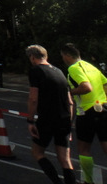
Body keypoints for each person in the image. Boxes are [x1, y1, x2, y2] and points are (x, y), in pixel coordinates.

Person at [61, 43, 107, 183]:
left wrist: (69, 92)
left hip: (87, 111)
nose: (63, 59)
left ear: (68, 55)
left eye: (63, 56)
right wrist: (98, 96)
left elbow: (86, 87)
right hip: (105, 109)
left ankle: (88, 181)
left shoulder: (73, 68)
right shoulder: (91, 66)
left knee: (84, 149)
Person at [26, 44, 76, 184]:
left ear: (32, 57)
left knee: (37, 152)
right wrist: (69, 125)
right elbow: (70, 101)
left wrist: (30, 120)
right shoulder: (59, 71)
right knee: (65, 159)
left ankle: (56, 182)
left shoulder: (36, 71)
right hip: (65, 119)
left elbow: (33, 98)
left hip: (48, 119)